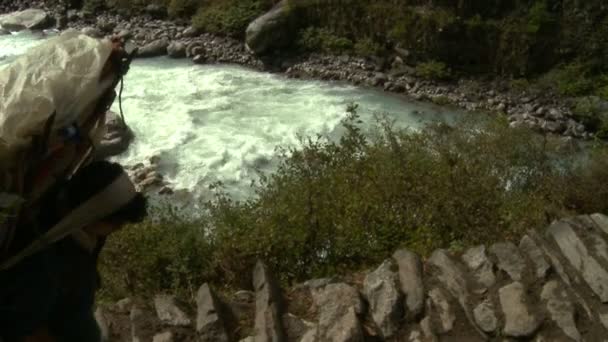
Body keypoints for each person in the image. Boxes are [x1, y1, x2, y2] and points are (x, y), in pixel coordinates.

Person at [0, 161, 147, 341]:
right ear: (92, 214)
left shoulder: (68, 214)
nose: (119, 228)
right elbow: (22, 331)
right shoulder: (43, 266)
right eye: (116, 222)